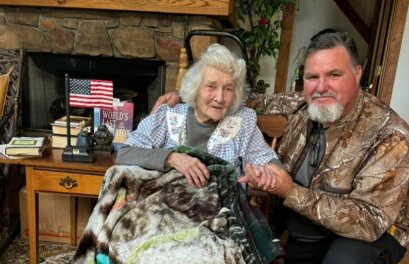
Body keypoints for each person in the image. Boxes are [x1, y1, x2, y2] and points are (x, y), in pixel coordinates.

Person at [153, 32, 409, 264]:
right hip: (304, 227)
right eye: (312, 77)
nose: (321, 87)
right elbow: (240, 99)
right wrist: (186, 94)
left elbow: (368, 221)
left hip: (367, 236)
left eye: (334, 75)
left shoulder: (391, 135)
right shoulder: (299, 103)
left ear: (357, 74)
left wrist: (289, 191)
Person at [117, 43, 280, 187]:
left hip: (220, 212)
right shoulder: (169, 115)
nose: (220, 98)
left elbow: (270, 162)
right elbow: (125, 153)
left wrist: (265, 173)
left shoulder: (242, 121)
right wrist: (171, 158)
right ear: (195, 89)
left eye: (228, 89)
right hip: (167, 208)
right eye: (211, 86)